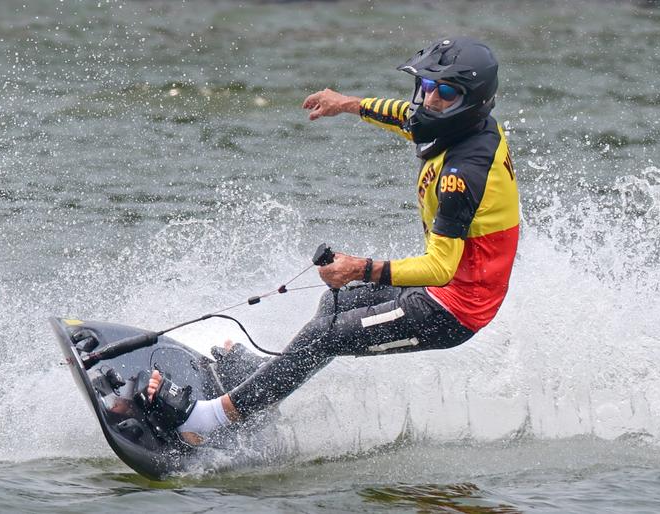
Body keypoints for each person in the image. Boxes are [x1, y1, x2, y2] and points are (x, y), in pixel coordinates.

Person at [140, 36, 520, 445]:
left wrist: (363, 267)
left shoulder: (463, 174)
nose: (429, 99)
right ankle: (262, 386)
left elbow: (442, 268)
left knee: (329, 335)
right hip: (440, 287)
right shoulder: (458, 124)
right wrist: (346, 103)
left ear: (471, 100)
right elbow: (404, 116)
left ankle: (209, 422)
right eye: (426, 87)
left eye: (444, 91)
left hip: (454, 309)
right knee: (333, 304)